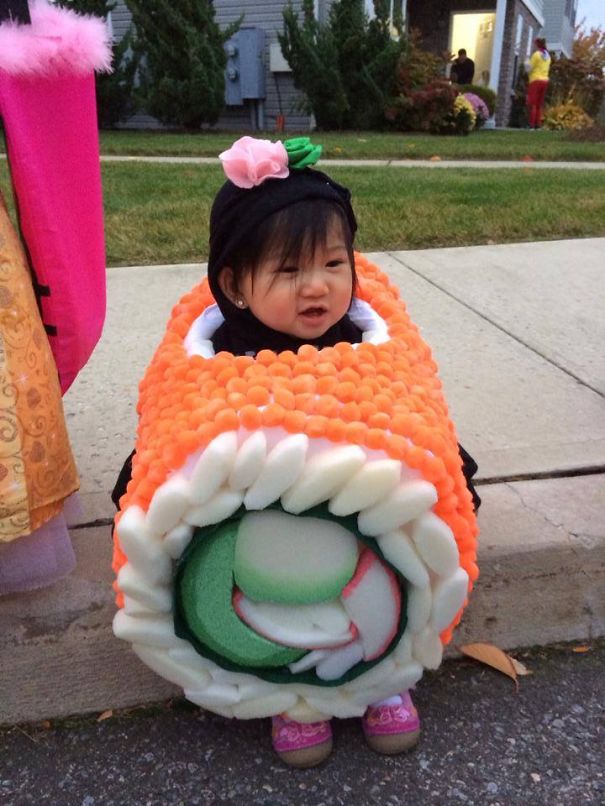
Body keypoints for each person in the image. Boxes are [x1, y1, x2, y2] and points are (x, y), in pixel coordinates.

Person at [113, 136, 480, 769]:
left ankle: (388, 676)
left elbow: (407, 407)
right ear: (234, 284)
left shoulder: (361, 339)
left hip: (364, 527)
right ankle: (286, 688)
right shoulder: (221, 348)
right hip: (263, 548)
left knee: (427, 507)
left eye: (335, 264)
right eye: (288, 271)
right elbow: (176, 428)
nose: (317, 287)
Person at [526, 37, 551, 129]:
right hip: (545, 80)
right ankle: (538, 124)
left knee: (533, 103)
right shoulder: (547, 56)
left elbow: (529, 68)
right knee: (539, 104)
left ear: (537, 45)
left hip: (535, 80)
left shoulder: (536, 55)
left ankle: (532, 125)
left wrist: (526, 62)